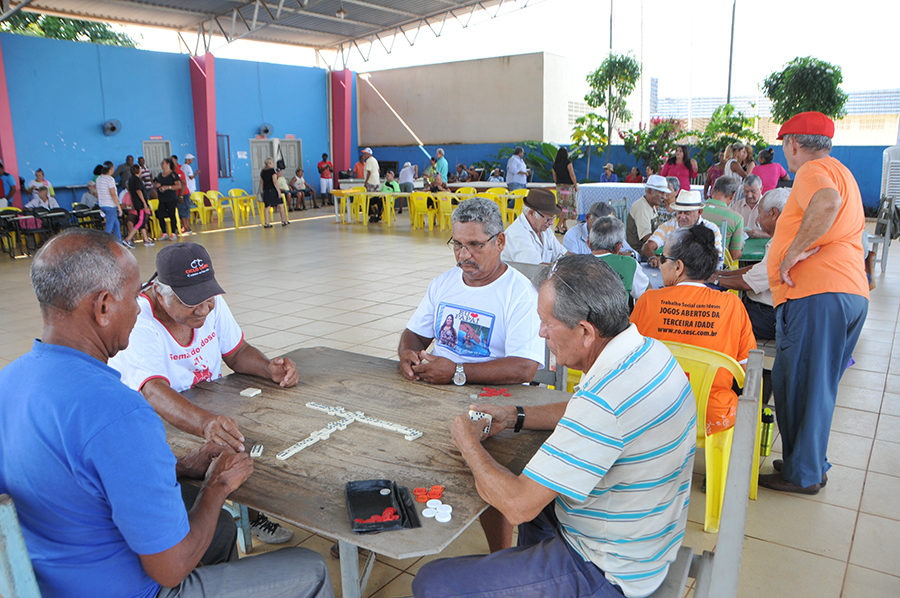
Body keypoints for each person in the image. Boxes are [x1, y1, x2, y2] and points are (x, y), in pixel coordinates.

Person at [0, 229, 334, 598]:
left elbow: (78, 473)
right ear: (104, 306)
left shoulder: (9, 381)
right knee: (311, 567)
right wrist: (216, 485)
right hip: (135, 589)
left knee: (220, 529)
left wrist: (178, 467)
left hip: (46, 580)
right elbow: (171, 568)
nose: (138, 305)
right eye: (133, 296)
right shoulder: (121, 413)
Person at [411, 254, 696, 598]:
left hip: (610, 571)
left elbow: (517, 506)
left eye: (547, 323)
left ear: (586, 332)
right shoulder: (647, 352)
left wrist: (467, 441)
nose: (541, 332)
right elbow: (582, 411)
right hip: (647, 539)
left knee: (432, 582)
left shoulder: (606, 401)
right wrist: (516, 415)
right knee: (532, 488)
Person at [108, 241, 303, 543]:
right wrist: (205, 424)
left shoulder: (208, 301)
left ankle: (250, 514)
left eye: (208, 298)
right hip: (163, 424)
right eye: (191, 302)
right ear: (160, 291)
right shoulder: (139, 321)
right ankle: (205, 525)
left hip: (210, 407)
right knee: (217, 459)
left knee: (270, 436)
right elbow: (153, 392)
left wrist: (269, 368)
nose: (204, 309)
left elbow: (237, 352)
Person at [759, 112, 869, 494]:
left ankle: (802, 474)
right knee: (815, 385)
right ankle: (806, 463)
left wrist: (792, 253)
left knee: (800, 385)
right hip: (848, 292)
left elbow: (826, 202)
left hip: (818, 295)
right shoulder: (841, 170)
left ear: (792, 143)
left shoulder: (811, 172)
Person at [399, 196, 543, 386]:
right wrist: (408, 354)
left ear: (500, 242)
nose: (464, 255)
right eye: (458, 244)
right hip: (436, 387)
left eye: (475, 245)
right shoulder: (443, 283)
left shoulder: (522, 295)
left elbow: (524, 368)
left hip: (494, 397)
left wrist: (457, 372)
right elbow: (415, 334)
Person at [631, 224, 754, 436]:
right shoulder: (732, 305)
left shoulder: (648, 301)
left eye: (663, 259)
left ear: (678, 267)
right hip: (712, 415)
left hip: (653, 412)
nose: (660, 265)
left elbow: (628, 358)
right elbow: (746, 369)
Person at [711, 188, 789, 340]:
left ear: (773, 213)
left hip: (769, 315)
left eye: (760, 213)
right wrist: (722, 274)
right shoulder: (782, 236)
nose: (757, 220)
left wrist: (714, 279)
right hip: (767, 311)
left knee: (715, 320)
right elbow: (759, 267)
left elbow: (750, 282)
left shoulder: (783, 242)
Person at [642, 190, 724, 269]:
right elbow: (648, 246)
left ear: (699, 212)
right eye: (679, 212)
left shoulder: (711, 229)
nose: (682, 217)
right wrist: (652, 257)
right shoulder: (668, 226)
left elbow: (717, 257)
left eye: (687, 213)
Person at [500, 189, 568, 265]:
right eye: (548, 219)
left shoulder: (543, 228)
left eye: (552, 218)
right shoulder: (517, 234)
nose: (551, 223)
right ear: (531, 213)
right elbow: (537, 268)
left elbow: (563, 254)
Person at [590, 216, 649, 301]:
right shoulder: (628, 264)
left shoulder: (575, 265)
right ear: (618, 247)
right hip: (619, 314)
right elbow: (646, 294)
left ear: (589, 242)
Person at [702, 176, 745, 259]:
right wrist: (740, 248)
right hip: (720, 267)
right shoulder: (736, 219)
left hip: (695, 263)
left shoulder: (696, 211)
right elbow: (734, 255)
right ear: (733, 195)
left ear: (712, 190)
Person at [625, 174, 668, 254]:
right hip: (641, 253)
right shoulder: (641, 207)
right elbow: (646, 237)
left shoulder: (651, 205)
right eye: (661, 193)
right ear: (649, 191)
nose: (664, 197)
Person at [124, 164, 153, 248]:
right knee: (140, 222)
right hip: (140, 204)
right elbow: (138, 191)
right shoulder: (136, 180)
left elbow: (131, 193)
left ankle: (146, 240)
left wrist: (133, 203)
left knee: (142, 221)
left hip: (136, 202)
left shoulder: (130, 179)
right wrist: (144, 202)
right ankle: (128, 239)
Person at [95, 160, 124, 243]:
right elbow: (113, 193)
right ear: (111, 169)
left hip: (102, 205)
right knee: (108, 228)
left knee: (116, 225)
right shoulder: (110, 179)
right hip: (110, 206)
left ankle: (119, 243)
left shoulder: (99, 178)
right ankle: (104, 245)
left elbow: (98, 192)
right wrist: (119, 206)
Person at [732, 174, 768, 238]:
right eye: (746, 191)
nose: (749, 195)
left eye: (753, 191)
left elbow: (777, 234)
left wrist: (761, 235)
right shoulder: (737, 206)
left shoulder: (768, 207)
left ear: (761, 189)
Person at [154, 157, 182, 240]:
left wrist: (168, 187)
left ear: (168, 164)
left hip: (171, 198)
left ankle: (173, 232)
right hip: (162, 199)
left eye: (163, 163)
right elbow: (156, 184)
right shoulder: (160, 175)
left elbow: (178, 185)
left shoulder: (173, 174)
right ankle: (164, 233)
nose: (162, 165)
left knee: (172, 214)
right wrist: (157, 186)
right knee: (159, 214)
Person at [551, 147, 578, 234]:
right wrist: (575, 184)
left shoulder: (555, 165)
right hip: (568, 187)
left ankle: (564, 226)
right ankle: (558, 226)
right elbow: (572, 174)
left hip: (559, 187)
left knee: (562, 207)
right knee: (566, 208)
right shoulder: (568, 163)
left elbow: (555, 178)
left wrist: (559, 185)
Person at [260, 157, 289, 228]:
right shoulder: (272, 171)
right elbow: (275, 182)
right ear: (269, 163)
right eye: (272, 162)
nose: (273, 164)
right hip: (273, 190)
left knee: (267, 207)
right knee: (281, 205)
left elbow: (261, 182)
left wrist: (263, 190)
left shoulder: (262, 171)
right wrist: (278, 191)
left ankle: (266, 223)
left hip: (266, 191)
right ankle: (283, 221)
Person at [171, 155, 192, 235]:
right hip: (180, 194)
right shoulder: (173, 171)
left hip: (183, 193)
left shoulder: (178, 171)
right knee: (183, 209)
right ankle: (186, 227)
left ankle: (186, 227)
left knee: (183, 210)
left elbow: (182, 183)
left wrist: (181, 195)